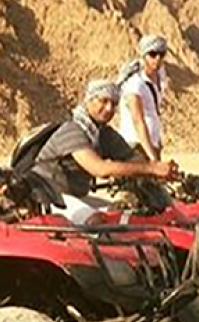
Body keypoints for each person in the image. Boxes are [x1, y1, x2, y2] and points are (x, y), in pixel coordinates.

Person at [31, 79, 179, 224]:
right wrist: (151, 169)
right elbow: (98, 168)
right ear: (89, 100)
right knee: (96, 221)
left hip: (76, 196)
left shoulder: (102, 134)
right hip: (49, 196)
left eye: (113, 104)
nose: (109, 108)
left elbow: (132, 157)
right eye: (103, 101)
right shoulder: (72, 130)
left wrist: (159, 170)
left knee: (123, 214)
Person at [117, 34, 169, 161]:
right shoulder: (135, 84)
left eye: (161, 55)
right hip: (136, 147)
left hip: (151, 146)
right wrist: (152, 157)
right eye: (152, 54)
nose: (157, 58)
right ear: (143, 55)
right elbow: (138, 120)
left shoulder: (158, 80)